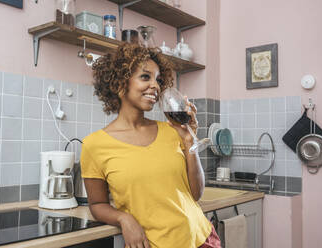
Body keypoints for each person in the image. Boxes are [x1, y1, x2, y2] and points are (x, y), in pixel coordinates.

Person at [81, 43, 221, 248]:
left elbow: (195, 193)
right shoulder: (94, 145)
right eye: (145, 77)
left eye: (158, 79)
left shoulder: (172, 131)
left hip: (202, 238)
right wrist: (124, 219)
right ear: (120, 83)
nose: (155, 86)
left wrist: (189, 139)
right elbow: (97, 204)